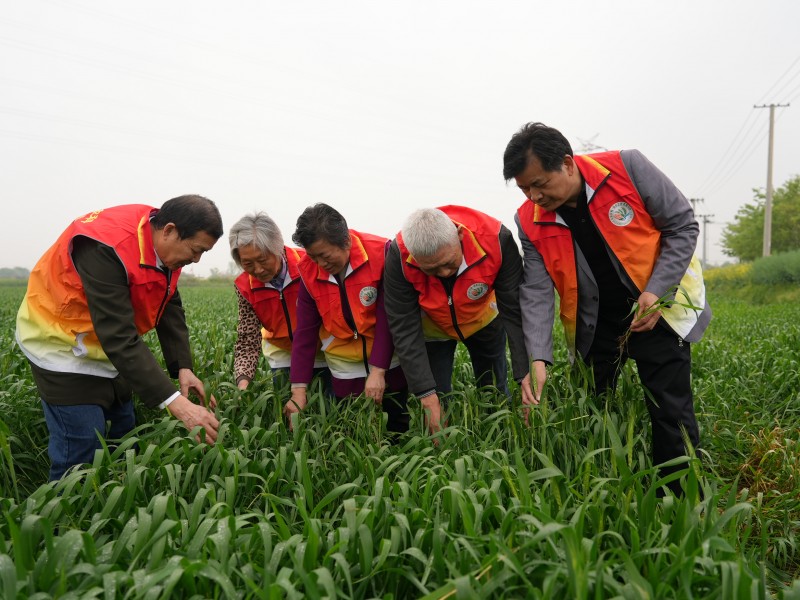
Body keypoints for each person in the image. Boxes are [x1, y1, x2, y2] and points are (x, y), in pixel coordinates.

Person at [503, 122, 711, 495]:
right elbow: (535, 291)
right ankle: (602, 489)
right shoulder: (527, 221)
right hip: (593, 325)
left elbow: (682, 226)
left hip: (656, 312)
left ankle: (677, 499)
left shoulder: (628, 170)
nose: (534, 196)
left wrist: (657, 291)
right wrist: (538, 359)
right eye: (524, 188)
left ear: (567, 164)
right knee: (592, 407)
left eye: (540, 184)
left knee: (669, 411)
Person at [16, 195, 223, 480]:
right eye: (195, 250)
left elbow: (168, 298)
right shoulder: (105, 246)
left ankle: (113, 514)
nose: (196, 260)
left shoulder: (161, 246)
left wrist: (182, 367)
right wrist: (177, 403)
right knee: (82, 450)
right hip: (61, 344)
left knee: (124, 437)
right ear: (170, 230)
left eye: (204, 253)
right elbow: (118, 335)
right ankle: (61, 518)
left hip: (107, 349)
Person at [383, 205, 532, 436]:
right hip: (433, 326)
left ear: (460, 236)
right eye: (431, 269)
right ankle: (443, 449)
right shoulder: (398, 256)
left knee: (493, 388)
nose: (443, 273)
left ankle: (501, 436)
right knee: (437, 397)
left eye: (449, 263)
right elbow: (403, 326)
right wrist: (425, 393)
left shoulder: (496, 239)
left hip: (484, 318)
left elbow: (514, 312)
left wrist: (525, 375)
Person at [282, 203, 409, 437]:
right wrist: (298, 389)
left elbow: (388, 316)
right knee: (351, 429)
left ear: (346, 241)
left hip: (389, 356)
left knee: (397, 424)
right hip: (344, 362)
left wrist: (378, 371)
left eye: (325, 256)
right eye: (313, 256)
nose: (320, 264)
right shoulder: (308, 271)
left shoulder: (382, 253)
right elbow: (305, 332)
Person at [229, 212, 331, 394]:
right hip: (283, 351)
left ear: (278, 249)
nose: (258, 270)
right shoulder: (245, 286)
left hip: (324, 347)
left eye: (262, 260)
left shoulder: (310, 266)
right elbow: (248, 337)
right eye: (248, 263)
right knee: (285, 406)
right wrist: (243, 381)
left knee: (329, 406)